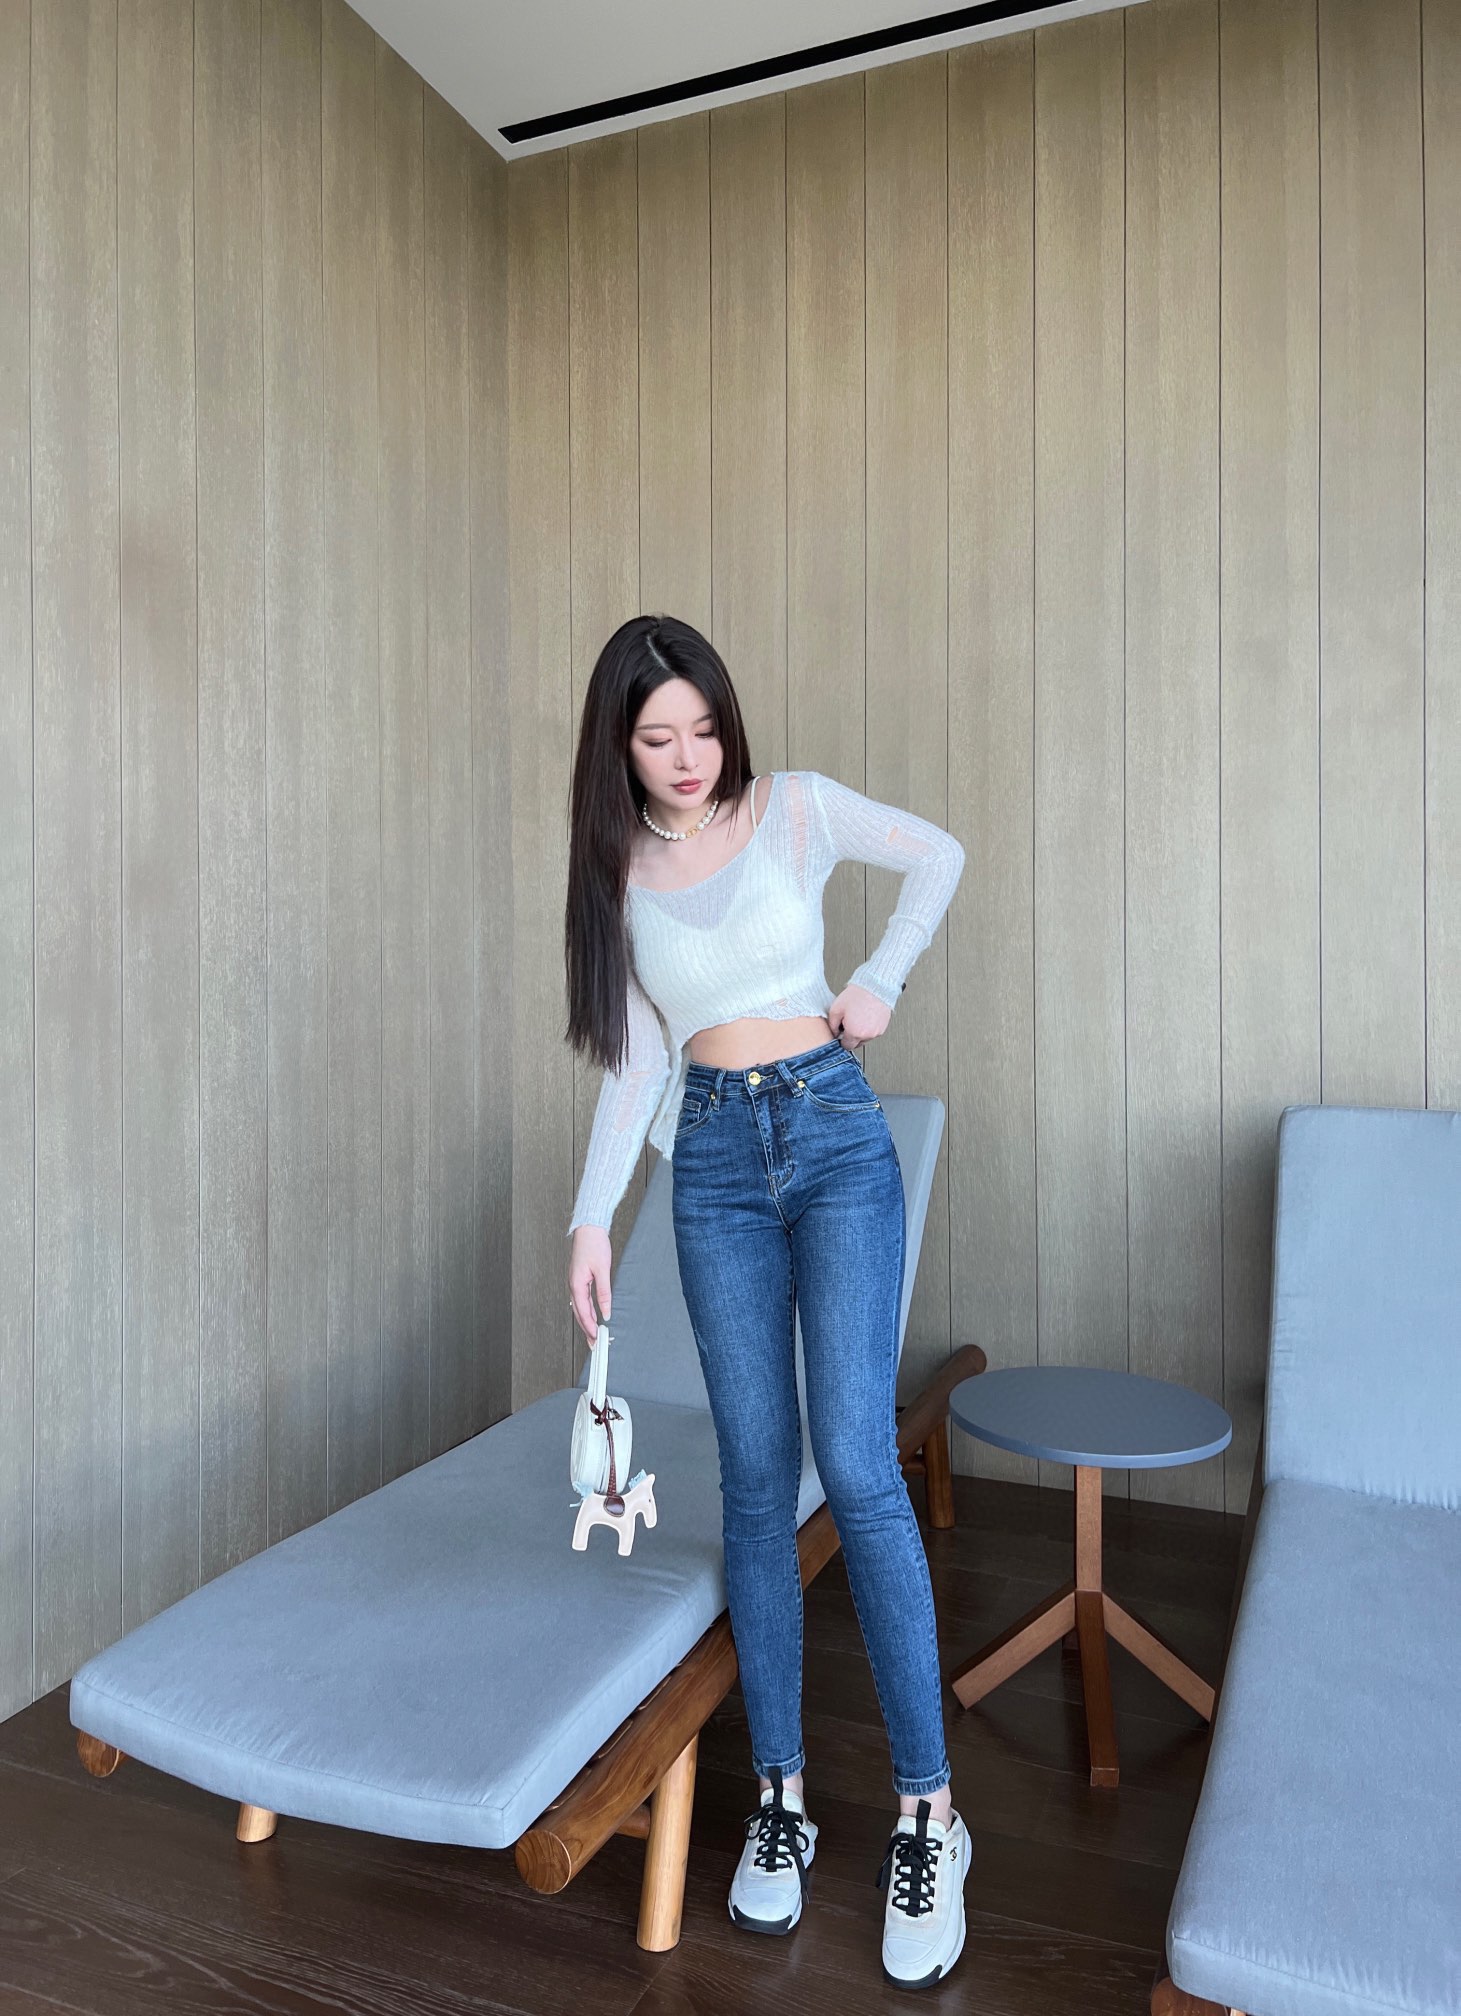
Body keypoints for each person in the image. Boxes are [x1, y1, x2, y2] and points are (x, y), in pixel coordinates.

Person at [563, 614, 970, 1989]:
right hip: (715, 1168)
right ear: (620, 749)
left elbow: (938, 854)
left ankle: (929, 1811)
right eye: (655, 737)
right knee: (752, 1480)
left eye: (701, 727)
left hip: (837, 1139)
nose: (687, 757)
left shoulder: (792, 810)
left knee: (854, 1461)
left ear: (725, 720)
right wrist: (590, 1218)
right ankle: (781, 1797)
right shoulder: (618, 872)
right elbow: (637, 1063)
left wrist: (877, 979)